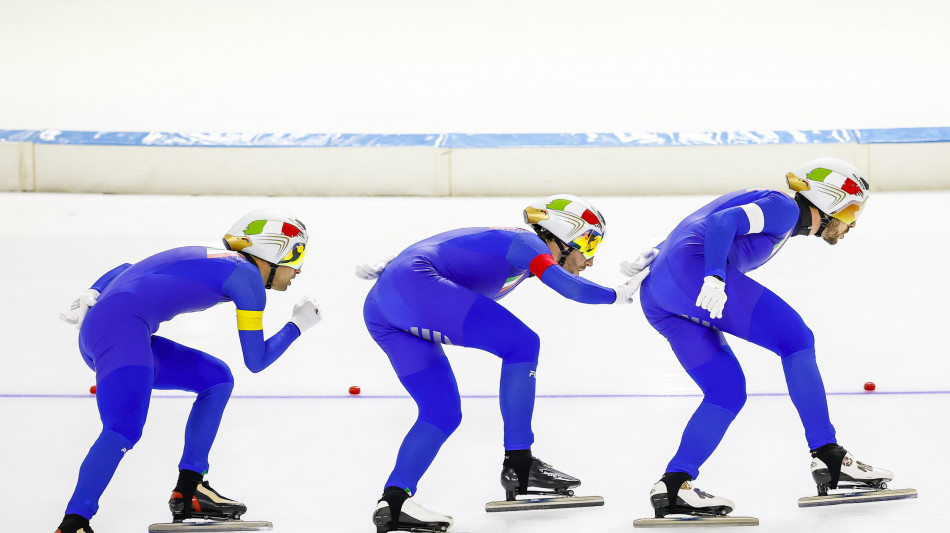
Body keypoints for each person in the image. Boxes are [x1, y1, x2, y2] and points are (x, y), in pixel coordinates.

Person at [357, 194, 651, 532]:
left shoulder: (519, 249)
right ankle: (519, 462)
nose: (590, 259)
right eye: (589, 242)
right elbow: (571, 289)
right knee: (522, 344)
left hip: (383, 305)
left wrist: (397, 265)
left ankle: (394, 502)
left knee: (441, 413)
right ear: (563, 233)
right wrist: (617, 294)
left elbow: (449, 244)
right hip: (411, 286)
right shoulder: (528, 243)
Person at [635, 158, 895, 517]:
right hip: (694, 275)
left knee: (726, 390)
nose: (851, 223)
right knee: (796, 340)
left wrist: (657, 253)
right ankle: (828, 455)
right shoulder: (784, 208)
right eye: (850, 210)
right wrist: (713, 275)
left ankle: (674, 484)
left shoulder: (769, 205)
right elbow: (721, 221)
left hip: (658, 292)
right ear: (829, 200)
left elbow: (706, 218)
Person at [53, 209, 322, 533]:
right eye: (296, 255)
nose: (299, 269)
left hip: (110, 324)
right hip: (120, 332)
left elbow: (128, 267)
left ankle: (191, 489)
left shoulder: (223, 260)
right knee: (123, 428)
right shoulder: (248, 278)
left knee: (216, 379)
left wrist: (93, 291)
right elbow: (256, 360)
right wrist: (298, 325)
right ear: (272, 251)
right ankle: (74, 523)